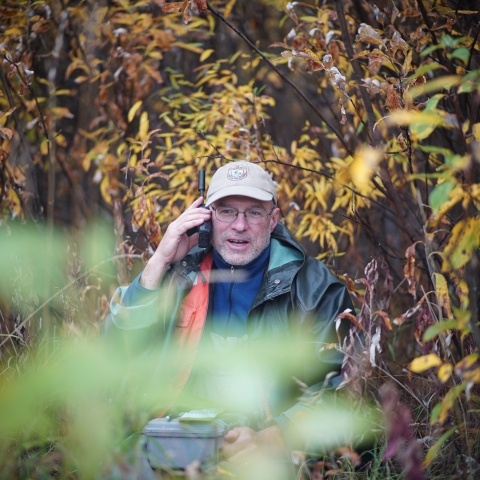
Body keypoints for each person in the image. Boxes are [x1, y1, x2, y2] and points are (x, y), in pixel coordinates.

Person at [109, 161, 353, 477]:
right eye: (226, 211)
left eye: (253, 212)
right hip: (174, 437)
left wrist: (274, 437)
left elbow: (345, 384)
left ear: (273, 219)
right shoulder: (179, 275)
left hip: (267, 448)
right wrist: (160, 260)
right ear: (208, 217)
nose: (239, 225)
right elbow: (115, 352)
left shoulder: (313, 285)